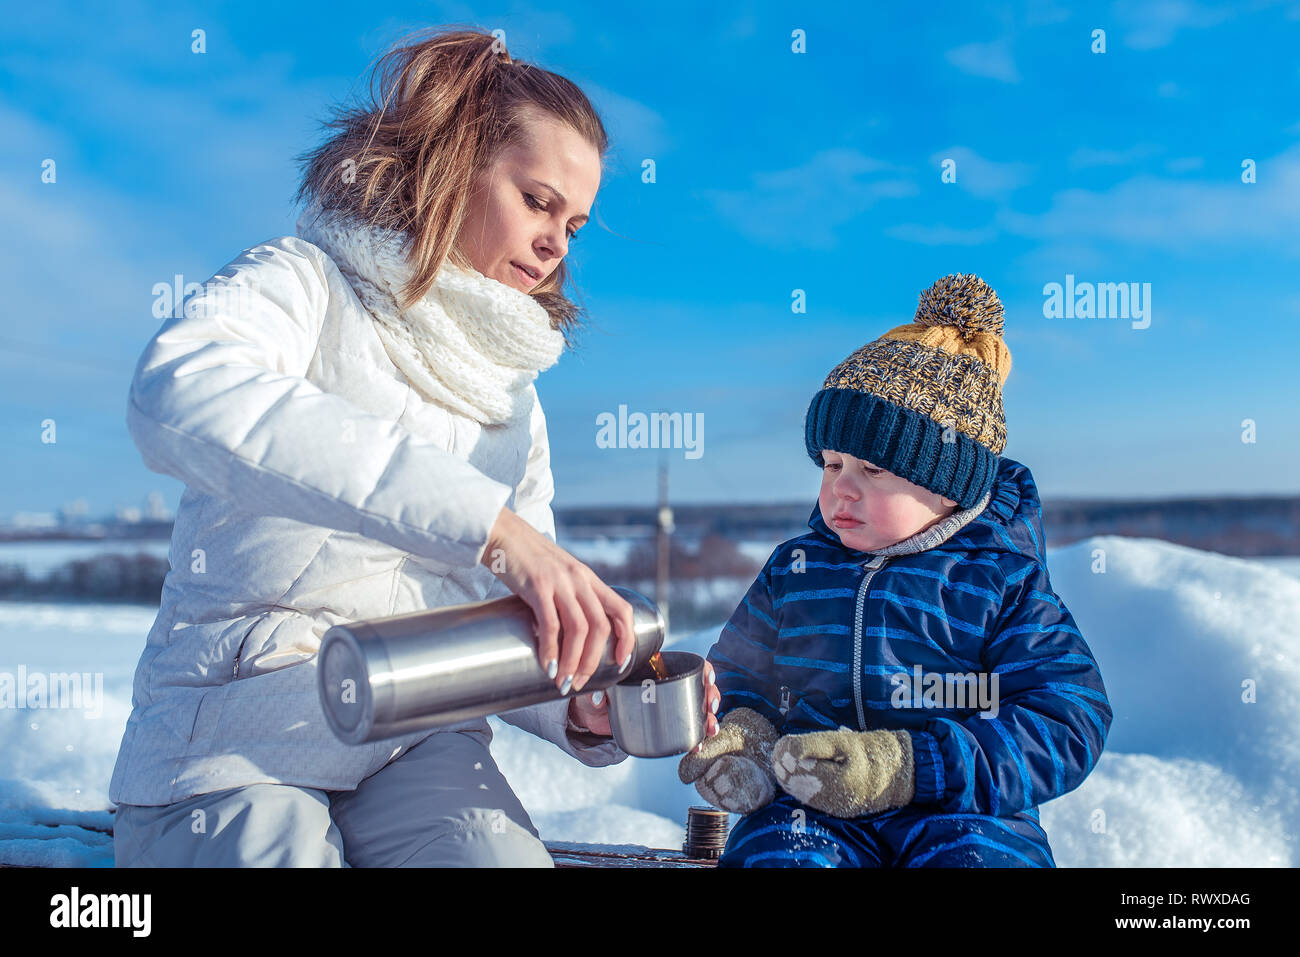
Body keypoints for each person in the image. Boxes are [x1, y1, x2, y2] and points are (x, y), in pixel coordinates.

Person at [110, 26, 720, 869]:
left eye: (575, 225)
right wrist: (493, 528)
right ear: (453, 165)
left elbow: (502, 628)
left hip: (418, 746)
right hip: (235, 726)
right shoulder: (304, 282)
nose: (556, 247)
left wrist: (579, 705)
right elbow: (177, 390)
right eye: (538, 202)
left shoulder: (513, 395)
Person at [678, 273, 1112, 867]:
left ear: (948, 484)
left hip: (963, 813)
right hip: (808, 807)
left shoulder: (998, 583)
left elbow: (1068, 719)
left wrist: (912, 767)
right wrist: (747, 735)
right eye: (831, 465)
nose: (840, 491)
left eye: (872, 470)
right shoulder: (797, 569)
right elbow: (737, 673)